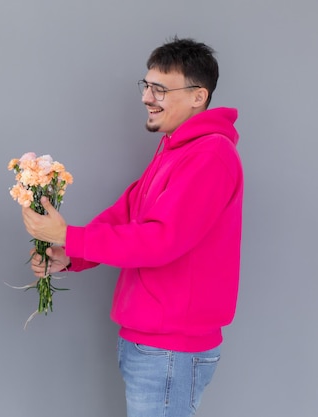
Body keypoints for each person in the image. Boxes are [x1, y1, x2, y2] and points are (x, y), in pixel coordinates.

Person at [21, 37, 243, 417]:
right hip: (153, 344)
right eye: (146, 86)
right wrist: (68, 254)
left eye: (160, 89)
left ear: (198, 96)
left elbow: (160, 240)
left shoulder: (210, 156)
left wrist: (69, 236)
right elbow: (128, 212)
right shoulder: (175, 148)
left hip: (171, 349)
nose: (147, 97)